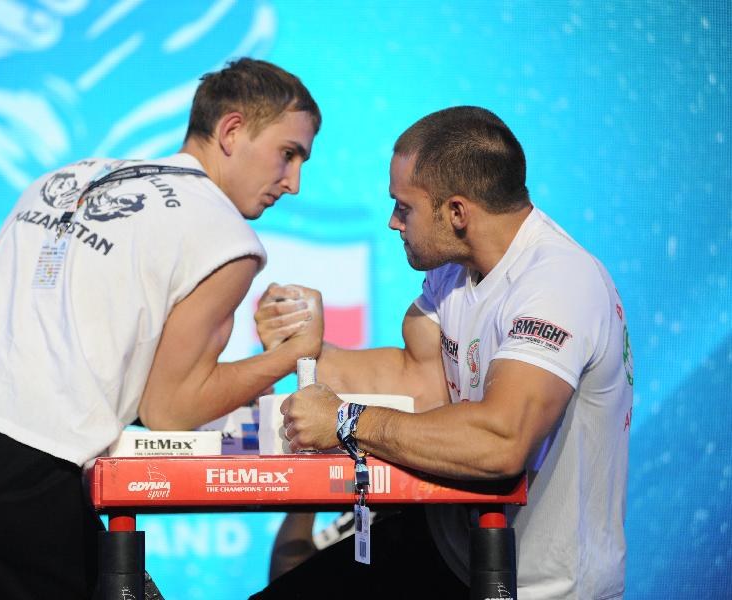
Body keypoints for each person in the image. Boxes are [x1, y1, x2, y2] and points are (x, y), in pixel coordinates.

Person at [0, 57, 323, 600]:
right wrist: (295, 352)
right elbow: (170, 408)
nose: (292, 182)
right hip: (21, 465)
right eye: (288, 155)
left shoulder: (68, 176)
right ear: (231, 130)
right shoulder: (224, 235)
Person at [251, 106, 633, 599]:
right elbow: (417, 378)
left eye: (403, 207)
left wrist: (346, 420)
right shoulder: (453, 268)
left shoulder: (558, 282)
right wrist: (300, 348)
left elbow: (501, 442)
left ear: (456, 213)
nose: (393, 222)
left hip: (543, 587)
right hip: (450, 555)